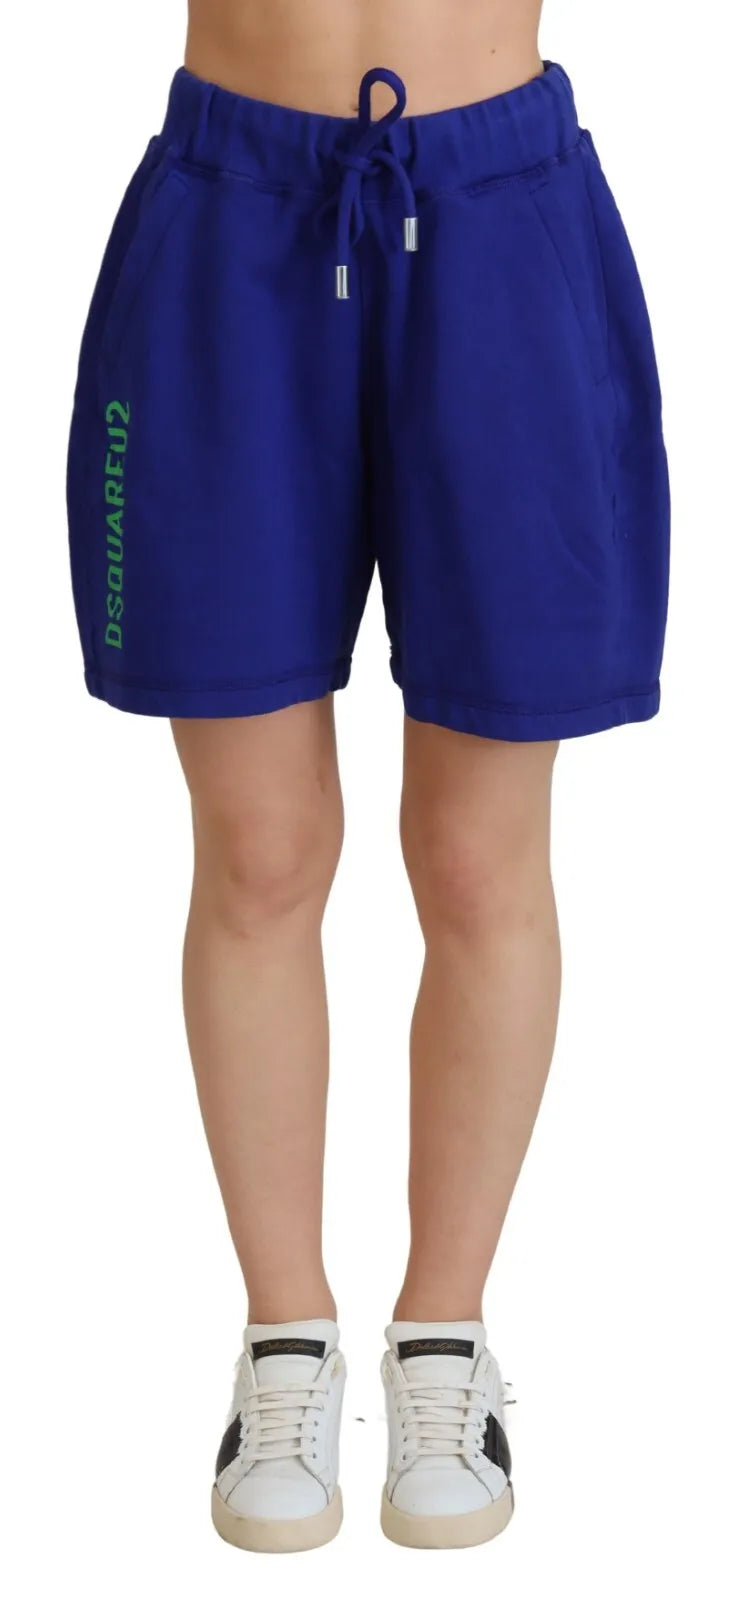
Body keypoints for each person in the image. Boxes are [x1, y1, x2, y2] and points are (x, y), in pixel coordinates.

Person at [66, 0, 669, 1554]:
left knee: (477, 858)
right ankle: (284, 1338)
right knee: (261, 850)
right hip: (231, 204)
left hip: (499, 208)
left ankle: (443, 1342)